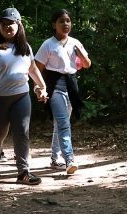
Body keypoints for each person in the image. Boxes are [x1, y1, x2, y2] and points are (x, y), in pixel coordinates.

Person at [0, 7, 48, 185]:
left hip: (21, 96)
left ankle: (23, 172)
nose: (7, 27)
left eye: (11, 23)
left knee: (22, 133)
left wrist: (42, 87)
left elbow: (32, 69)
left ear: (19, 25)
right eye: (4, 24)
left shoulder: (25, 48)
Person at [35, 9, 91, 175]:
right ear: (54, 25)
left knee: (60, 123)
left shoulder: (75, 42)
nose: (65, 24)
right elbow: (37, 68)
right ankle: (69, 160)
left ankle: (54, 158)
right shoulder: (48, 44)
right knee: (63, 123)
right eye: (61, 21)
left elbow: (87, 64)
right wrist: (39, 88)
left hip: (71, 87)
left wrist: (79, 52)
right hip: (55, 87)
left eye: (68, 21)